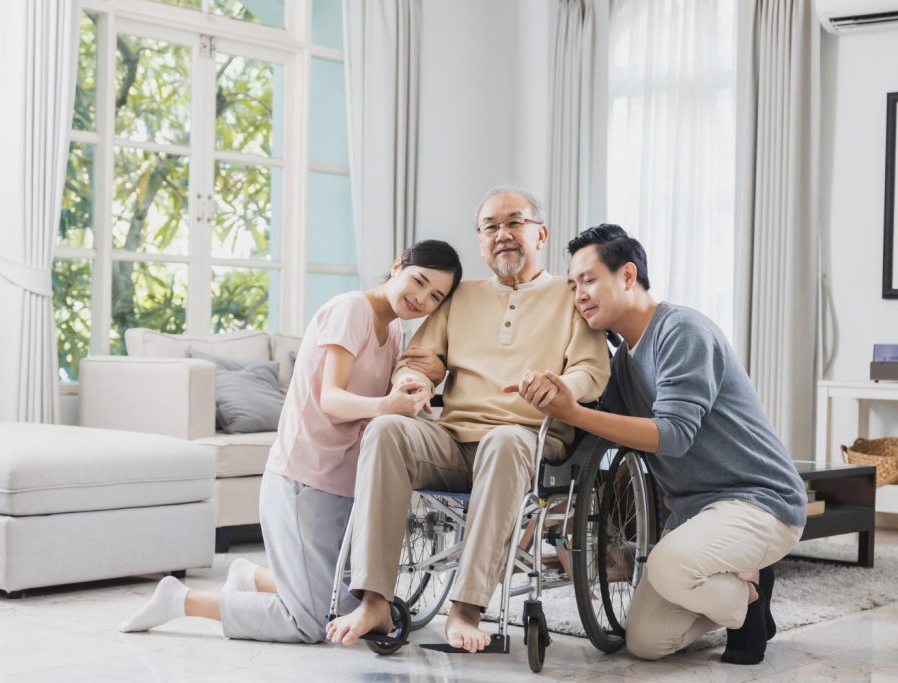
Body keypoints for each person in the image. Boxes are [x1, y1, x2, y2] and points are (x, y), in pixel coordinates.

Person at [118, 240, 463, 643]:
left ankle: (252, 577)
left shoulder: (392, 332)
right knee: (314, 623)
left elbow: (380, 406)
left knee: (349, 606)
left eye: (435, 296)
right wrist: (386, 405)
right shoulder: (352, 310)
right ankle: (182, 600)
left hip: (344, 481)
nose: (421, 298)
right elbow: (331, 399)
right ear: (398, 265)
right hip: (305, 479)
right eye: (418, 281)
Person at [504, 224, 806, 664]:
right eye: (572, 286)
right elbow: (599, 427)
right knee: (646, 641)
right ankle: (741, 597)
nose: (579, 295)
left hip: (759, 501)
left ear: (628, 275)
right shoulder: (622, 361)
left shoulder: (681, 331)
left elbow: (673, 436)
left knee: (667, 565)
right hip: (691, 513)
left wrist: (575, 412)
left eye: (588, 280)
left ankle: (749, 597)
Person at [326, 186, 610, 653]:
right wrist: (412, 381)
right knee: (386, 429)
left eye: (514, 223)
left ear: (540, 233)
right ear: (480, 242)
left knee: (504, 440)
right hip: (453, 440)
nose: (503, 235)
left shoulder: (569, 294)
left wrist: (563, 388)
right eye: (490, 227)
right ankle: (375, 599)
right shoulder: (461, 297)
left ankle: (466, 608)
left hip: (527, 441)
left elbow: (591, 370)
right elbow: (421, 358)